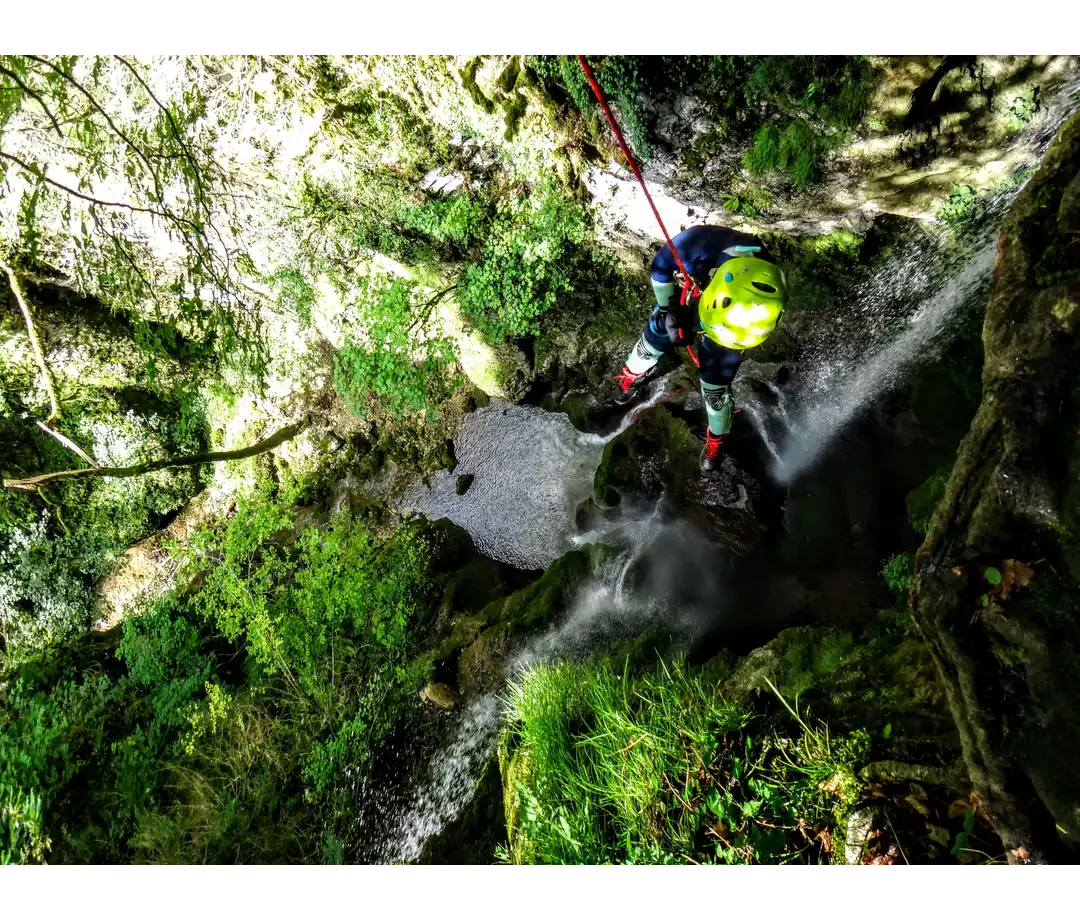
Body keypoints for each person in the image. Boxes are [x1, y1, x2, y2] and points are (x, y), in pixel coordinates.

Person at [612, 225, 788, 472]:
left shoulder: (763, 310)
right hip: (694, 295)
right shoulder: (708, 243)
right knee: (657, 333)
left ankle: (716, 439)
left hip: (727, 331)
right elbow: (661, 267)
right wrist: (667, 307)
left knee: (715, 391)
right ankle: (632, 374)